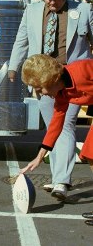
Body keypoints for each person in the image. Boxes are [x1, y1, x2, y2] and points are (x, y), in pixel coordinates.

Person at [8, 0, 93, 200]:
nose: (52, 3)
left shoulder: (83, 10)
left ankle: (61, 180)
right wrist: (13, 67)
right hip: (42, 77)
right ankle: (58, 176)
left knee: (66, 125)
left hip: (72, 77)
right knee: (54, 125)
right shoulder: (32, 11)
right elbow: (21, 39)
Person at [20, 54, 93, 226]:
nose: (40, 93)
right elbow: (55, 125)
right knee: (90, 154)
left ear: (50, 80)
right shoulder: (61, 94)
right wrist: (39, 157)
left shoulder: (82, 70)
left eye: (39, 89)